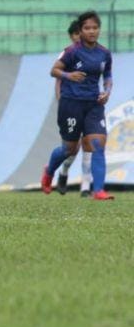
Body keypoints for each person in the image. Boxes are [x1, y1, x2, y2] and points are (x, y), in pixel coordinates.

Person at [42, 10, 113, 200]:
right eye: (87, 28)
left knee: (98, 144)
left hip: (93, 105)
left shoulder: (104, 53)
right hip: (71, 104)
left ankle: (98, 190)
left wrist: (106, 91)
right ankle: (49, 171)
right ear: (80, 31)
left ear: (99, 29)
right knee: (69, 150)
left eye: (95, 27)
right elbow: (54, 70)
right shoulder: (72, 51)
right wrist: (68, 75)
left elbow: (107, 75)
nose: (91, 31)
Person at [54, 19, 92, 196]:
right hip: (71, 105)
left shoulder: (95, 53)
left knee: (89, 143)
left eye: (81, 33)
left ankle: (85, 186)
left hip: (90, 104)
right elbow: (58, 79)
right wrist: (61, 101)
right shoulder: (67, 54)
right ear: (71, 36)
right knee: (72, 148)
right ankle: (63, 173)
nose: (79, 37)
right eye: (76, 34)